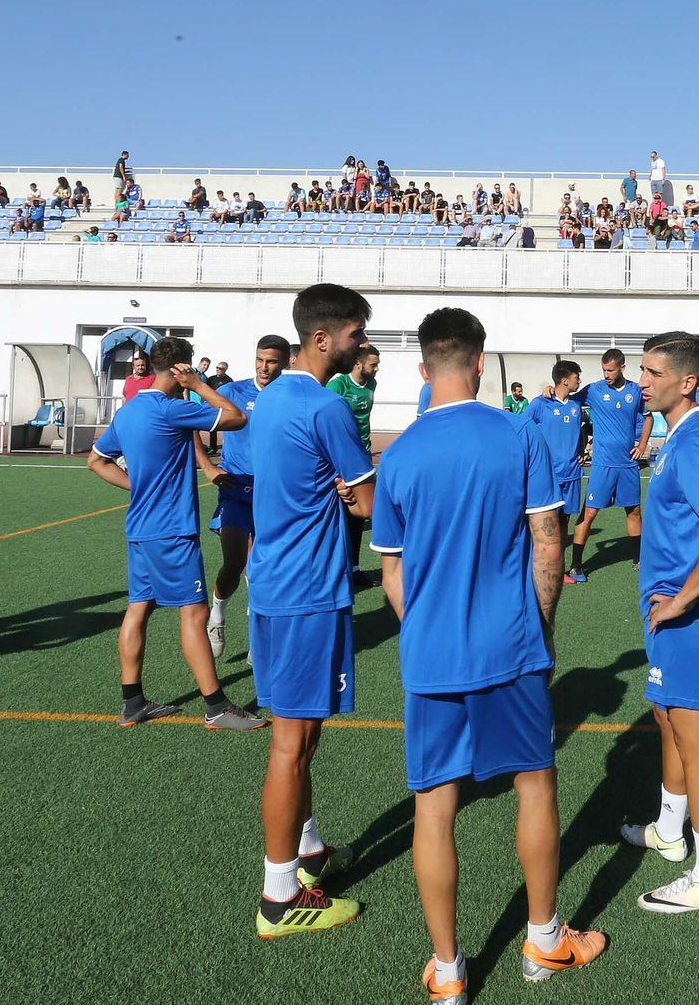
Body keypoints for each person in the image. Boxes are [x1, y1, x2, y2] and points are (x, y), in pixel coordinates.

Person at [371, 309, 607, 993]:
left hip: (431, 654)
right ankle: (543, 941)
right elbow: (549, 541)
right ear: (481, 363)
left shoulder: (401, 454)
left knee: (434, 806)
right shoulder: (517, 433)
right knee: (534, 783)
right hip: (510, 645)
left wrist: (428, 628)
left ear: (423, 369)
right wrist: (544, 628)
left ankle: (448, 972)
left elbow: (393, 571)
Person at [248, 283, 377, 937]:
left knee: (304, 735)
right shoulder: (328, 408)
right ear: (323, 338)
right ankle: (278, 898)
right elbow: (370, 504)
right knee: (291, 744)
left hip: (275, 585)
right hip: (308, 591)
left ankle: (306, 851)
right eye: (356, 335)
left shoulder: (269, 399)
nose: (362, 348)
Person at [618, 331, 699, 914]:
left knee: (698, 746)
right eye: (642, 371)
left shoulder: (692, 442)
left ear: (686, 382)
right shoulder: (680, 433)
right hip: (670, 605)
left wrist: (681, 601)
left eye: (651, 372)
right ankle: (670, 831)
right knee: (667, 718)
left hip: (685, 610)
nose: (641, 381)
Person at [85, 336, 263, 729]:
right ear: (182, 368)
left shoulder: (129, 411)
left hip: (140, 528)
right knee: (195, 611)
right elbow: (236, 418)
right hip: (172, 531)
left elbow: (96, 461)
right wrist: (200, 386)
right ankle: (216, 706)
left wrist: (139, 486)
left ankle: (132, 702)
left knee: (139, 609)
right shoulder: (172, 409)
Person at [196, 335, 290, 659]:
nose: (264, 367)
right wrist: (207, 466)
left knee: (259, 570)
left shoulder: (289, 397)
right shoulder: (232, 392)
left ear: (286, 362)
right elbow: (189, 422)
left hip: (273, 496)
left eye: (272, 361)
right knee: (234, 564)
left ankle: (257, 639)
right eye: (260, 360)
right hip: (235, 491)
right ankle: (217, 615)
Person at [566, 348, 653, 583]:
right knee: (590, 513)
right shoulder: (594, 390)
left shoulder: (635, 391)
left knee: (634, 511)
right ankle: (575, 565)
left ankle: (639, 559)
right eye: (604, 370)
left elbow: (648, 417)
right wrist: (551, 391)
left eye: (610, 370)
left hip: (627, 465)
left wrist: (642, 443)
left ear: (622, 368)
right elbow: (566, 398)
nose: (606, 374)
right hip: (603, 465)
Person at [527, 362, 588, 581]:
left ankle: (558, 569)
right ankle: (534, 566)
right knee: (544, 523)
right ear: (564, 380)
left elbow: (579, 431)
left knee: (563, 523)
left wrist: (581, 448)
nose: (579, 381)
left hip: (572, 473)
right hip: (548, 475)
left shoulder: (575, 405)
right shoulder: (539, 404)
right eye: (576, 377)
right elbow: (523, 429)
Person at [327, 346, 379, 587]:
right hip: (339, 459)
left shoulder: (371, 384)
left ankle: (354, 569)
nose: (376, 369)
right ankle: (332, 570)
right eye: (373, 364)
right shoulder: (338, 385)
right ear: (358, 364)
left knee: (358, 514)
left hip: (362, 458)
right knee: (335, 514)